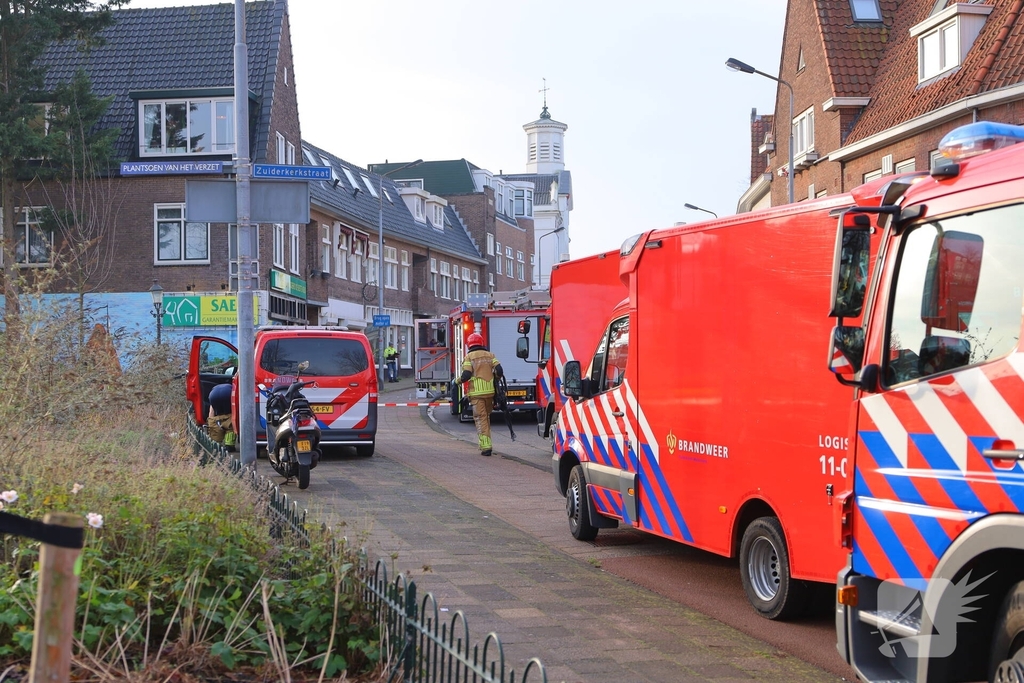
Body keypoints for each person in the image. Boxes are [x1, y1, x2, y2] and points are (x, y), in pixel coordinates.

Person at [458, 332, 503, 456]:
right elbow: (499, 370)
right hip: (490, 393)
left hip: (477, 394)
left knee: (480, 418)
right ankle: (486, 443)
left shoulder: (469, 357)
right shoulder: (490, 355)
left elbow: (466, 375)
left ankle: (486, 447)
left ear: (469, 345)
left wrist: (457, 381)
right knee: (486, 417)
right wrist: (496, 379)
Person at [207, 382, 235, 448]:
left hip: (213, 395)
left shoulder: (214, 389)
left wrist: (211, 422)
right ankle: (229, 445)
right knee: (231, 424)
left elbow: (211, 411)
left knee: (214, 422)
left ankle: (216, 443)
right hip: (227, 394)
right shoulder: (231, 387)